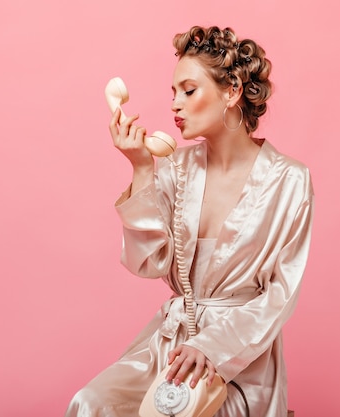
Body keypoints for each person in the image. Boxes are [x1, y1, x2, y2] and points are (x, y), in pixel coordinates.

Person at [65, 25, 314, 417]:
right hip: (170, 346)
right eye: (173, 93)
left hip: (238, 355)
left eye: (189, 90)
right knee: (93, 403)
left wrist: (211, 348)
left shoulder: (290, 181)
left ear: (231, 90)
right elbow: (148, 264)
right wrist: (143, 170)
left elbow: (280, 295)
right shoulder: (174, 170)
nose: (175, 106)